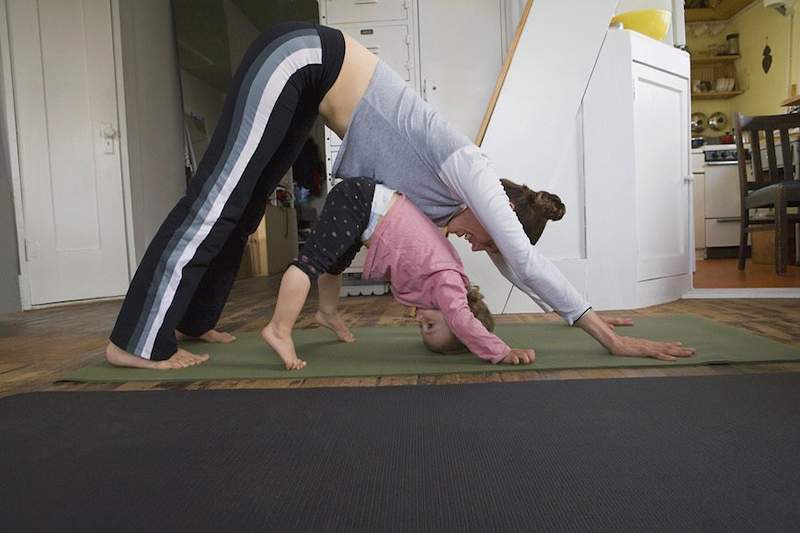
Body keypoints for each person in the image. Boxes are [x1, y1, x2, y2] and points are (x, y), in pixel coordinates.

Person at [105, 21, 695, 370]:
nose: (468, 241)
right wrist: (609, 338)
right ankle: (134, 340)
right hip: (302, 58)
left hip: (310, 85)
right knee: (219, 198)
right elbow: (524, 259)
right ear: (501, 212)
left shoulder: (468, 211)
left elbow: (517, 270)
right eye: (482, 238)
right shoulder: (475, 172)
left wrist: (579, 316)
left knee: (252, 199)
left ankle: (196, 317)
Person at [262, 178, 535, 370]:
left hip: (366, 212)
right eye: (429, 326)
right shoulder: (448, 284)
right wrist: (501, 352)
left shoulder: (445, 282)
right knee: (312, 263)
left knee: (334, 265)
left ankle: (327, 313)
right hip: (363, 202)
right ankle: (279, 329)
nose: (421, 323)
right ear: (456, 315)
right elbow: (463, 321)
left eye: (422, 329)